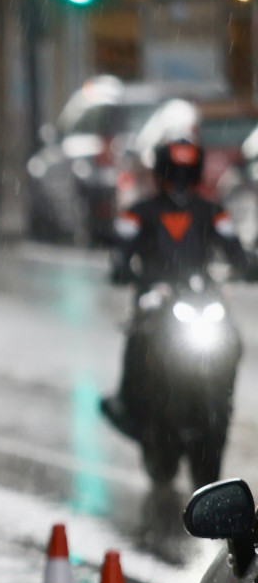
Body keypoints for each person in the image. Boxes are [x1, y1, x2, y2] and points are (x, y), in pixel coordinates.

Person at [100, 136, 256, 438]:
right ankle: (129, 404)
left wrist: (248, 265)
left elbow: (234, 247)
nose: (181, 183)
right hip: (155, 297)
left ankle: (222, 392)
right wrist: (122, 267)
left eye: (186, 174)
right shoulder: (140, 211)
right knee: (139, 338)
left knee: (230, 336)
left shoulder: (213, 211)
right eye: (176, 173)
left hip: (201, 296)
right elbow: (121, 244)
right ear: (162, 173)